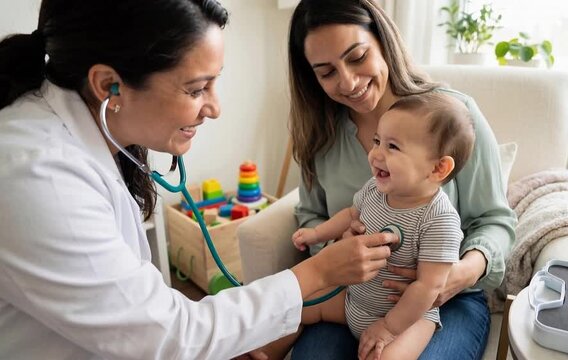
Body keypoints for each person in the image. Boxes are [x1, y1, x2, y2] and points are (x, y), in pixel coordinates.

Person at [0, 1, 398, 359]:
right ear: (109, 85)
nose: (215, 107)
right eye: (197, 88)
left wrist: (228, 336)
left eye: (214, 82)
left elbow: (134, 307)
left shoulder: (86, 140)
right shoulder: (37, 176)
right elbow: (166, 336)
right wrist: (320, 271)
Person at [287, 0, 517, 359]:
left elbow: (495, 221)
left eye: (357, 56)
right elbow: (310, 216)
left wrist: (456, 275)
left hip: (444, 303)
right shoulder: (322, 137)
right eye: (326, 72)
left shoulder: (453, 119)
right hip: (355, 294)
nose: (348, 82)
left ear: (383, 42)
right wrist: (339, 253)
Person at [290, 93, 475, 360]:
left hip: (405, 320)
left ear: (438, 168)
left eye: (393, 147)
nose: (375, 153)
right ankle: (257, 348)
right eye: (377, 141)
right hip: (354, 301)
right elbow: (351, 214)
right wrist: (317, 233)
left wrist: (388, 328)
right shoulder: (375, 190)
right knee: (295, 307)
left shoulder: (440, 220)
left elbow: (427, 288)